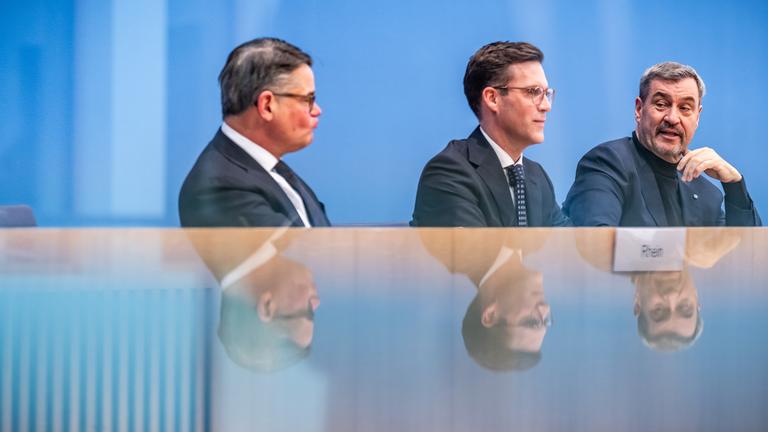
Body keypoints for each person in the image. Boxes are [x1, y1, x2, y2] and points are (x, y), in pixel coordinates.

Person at [563, 61, 761, 226]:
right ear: (639, 109)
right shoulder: (608, 163)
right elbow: (596, 243)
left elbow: (746, 259)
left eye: (685, 108)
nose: (672, 118)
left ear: (698, 117)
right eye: (661, 104)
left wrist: (735, 187)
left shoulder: (707, 194)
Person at [412, 41, 570, 227]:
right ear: (492, 98)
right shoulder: (449, 172)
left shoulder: (536, 176)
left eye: (547, 93)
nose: (546, 106)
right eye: (533, 92)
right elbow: (474, 253)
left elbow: (565, 248)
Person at [179, 37, 330, 227]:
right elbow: (295, 255)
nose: (317, 110)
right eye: (308, 99)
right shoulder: (221, 187)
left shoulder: (269, 169)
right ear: (267, 105)